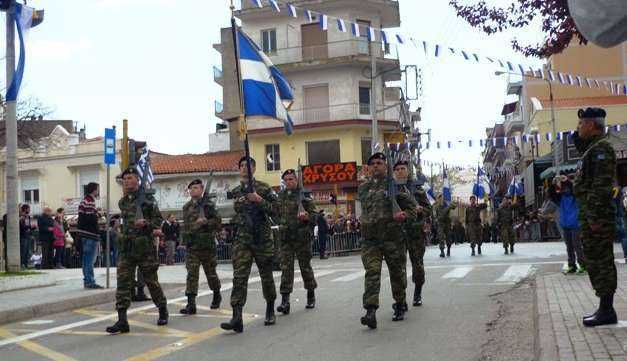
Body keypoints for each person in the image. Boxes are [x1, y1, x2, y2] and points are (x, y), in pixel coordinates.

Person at [106, 167, 168, 334]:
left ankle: (162, 308)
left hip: (145, 247)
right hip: (127, 247)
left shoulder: (148, 200)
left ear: (138, 180)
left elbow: (158, 220)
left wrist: (146, 224)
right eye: (125, 178)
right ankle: (122, 320)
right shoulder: (123, 201)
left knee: (151, 281)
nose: (127, 181)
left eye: (131, 178)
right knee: (123, 282)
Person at [358, 152, 416, 329]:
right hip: (371, 239)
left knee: (396, 272)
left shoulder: (395, 186)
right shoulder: (364, 188)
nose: (376, 166)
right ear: (368, 168)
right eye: (373, 163)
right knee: (372, 272)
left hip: (392, 237)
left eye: (380, 163)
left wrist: (403, 215)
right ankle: (370, 310)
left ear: (385, 166)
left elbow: (412, 210)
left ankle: (399, 303)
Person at [572, 107, 618, 327]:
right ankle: (604, 307)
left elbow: (600, 187)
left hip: (597, 216)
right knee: (594, 260)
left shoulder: (602, 150)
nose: (578, 127)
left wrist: (595, 217)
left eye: (581, 123)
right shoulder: (592, 149)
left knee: (602, 261)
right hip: (590, 215)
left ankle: (607, 310)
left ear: (591, 125)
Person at [221, 157, 278, 333]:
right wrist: (243, 200)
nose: (245, 168)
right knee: (239, 277)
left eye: (249, 165)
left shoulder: (264, 188)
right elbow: (233, 210)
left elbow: (277, 210)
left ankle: (270, 309)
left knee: (266, 275)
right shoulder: (236, 191)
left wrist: (259, 199)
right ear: (239, 169)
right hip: (243, 239)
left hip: (262, 238)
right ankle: (237, 316)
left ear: (254, 168)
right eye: (243, 166)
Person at [275, 169, 318, 315]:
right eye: (286, 180)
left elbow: (315, 216)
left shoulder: (304, 196)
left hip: (301, 238)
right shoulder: (280, 196)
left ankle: (310, 294)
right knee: (286, 269)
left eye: (291, 179)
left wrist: (307, 217)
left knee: (305, 267)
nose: (288, 182)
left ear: (297, 180)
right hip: (286, 238)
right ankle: (285, 301)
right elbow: (274, 212)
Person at [179, 179, 222, 315]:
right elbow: (185, 227)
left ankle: (216, 294)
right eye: (191, 188)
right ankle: (191, 304)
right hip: (192, 246)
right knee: (192, 274)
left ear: (202, 189)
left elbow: (218, 223)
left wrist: (206, 222)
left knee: (211, 274)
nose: (193, 190)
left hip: (206, 246)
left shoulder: (209, 205)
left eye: (196, 188)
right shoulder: (186, 207)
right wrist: (183, 242)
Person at [394, 160, 431, 307]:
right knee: (398, 266)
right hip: (398, 233)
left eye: (403, 168)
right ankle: (400, 298)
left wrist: (422, 210)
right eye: (397, 169)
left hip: (415, 232)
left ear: (408, 171)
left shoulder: (418, 190)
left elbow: (429, 210)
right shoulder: (392, 190)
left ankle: (417, 292)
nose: (400, 171)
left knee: (417, 264)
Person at [549, 175, 586, 274]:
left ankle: (583, 265)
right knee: (569, 246)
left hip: (575, 224)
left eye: (566, 188)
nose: (565, 190)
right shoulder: (561, 198)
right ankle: (572, 266)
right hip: (566, 225)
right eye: (563, 188)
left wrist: (567, 181)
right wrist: (553, 184)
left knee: (576, 245)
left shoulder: (575, 197)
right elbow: (552, 195)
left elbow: (575, 190)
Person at [77, 182, 104, 289]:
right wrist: (98, 214)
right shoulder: (90, 201)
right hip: (90, 234)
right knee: (90, 259)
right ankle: (89, 281)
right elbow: (90, 218)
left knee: (86, 259)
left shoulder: (84, 201)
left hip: (84, 234)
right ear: (94, 190)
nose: (98, 191)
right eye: (97, 189)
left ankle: (87, 280)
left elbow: (84, 217)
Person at [18, 204, 36, 269]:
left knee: (27, 251)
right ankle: (22, 264)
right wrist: (30, 226)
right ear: (25, 209)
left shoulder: (28, 217)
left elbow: (28, 226)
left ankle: (25, 264)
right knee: (23, 251)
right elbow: (22, 227)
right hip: (23, 236)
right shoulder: (21, 217)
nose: (29, 210)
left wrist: (33, 227)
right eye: (28, 208)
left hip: (28, 236)